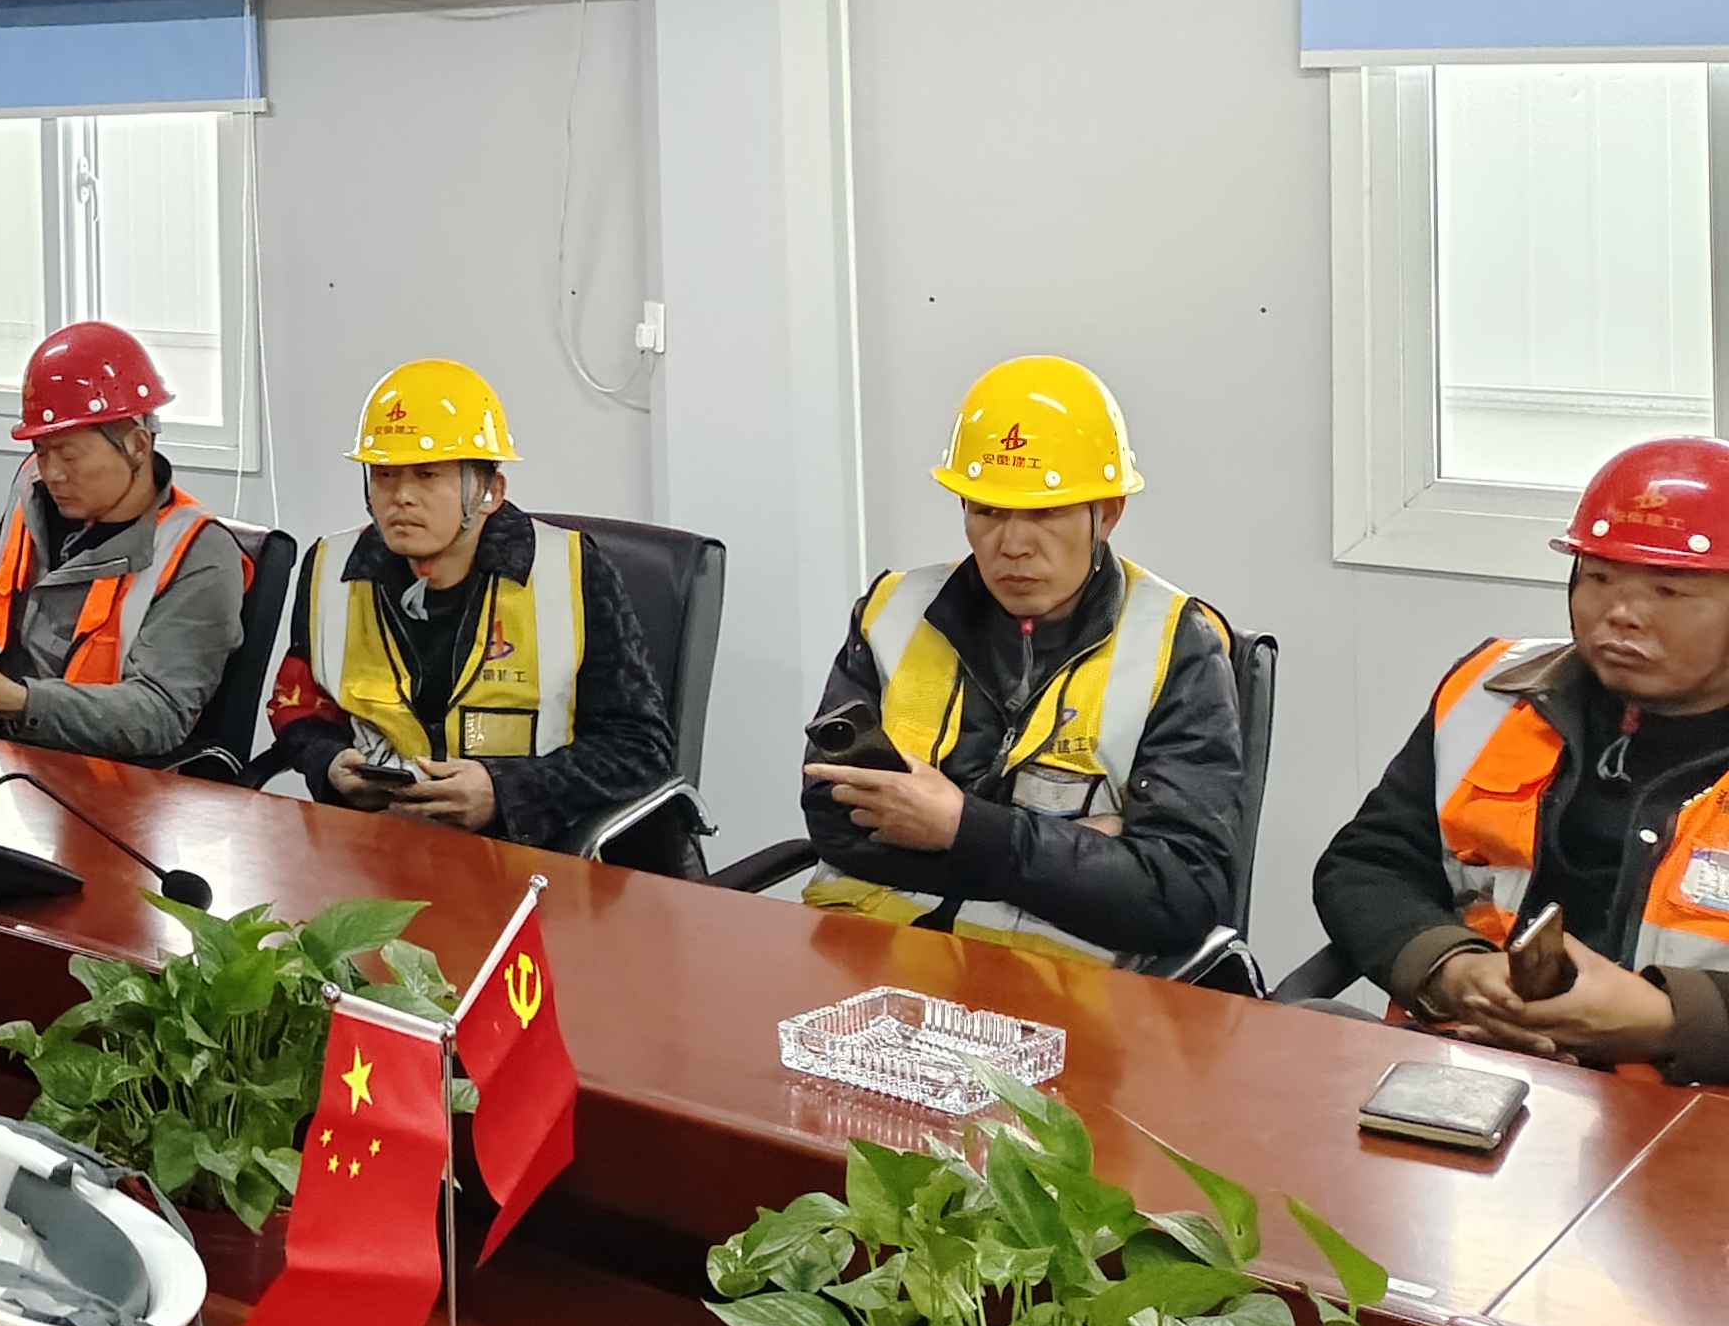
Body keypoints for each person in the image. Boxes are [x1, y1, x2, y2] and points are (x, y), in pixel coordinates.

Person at [782, 354, 1243, 969]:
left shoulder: (1176, 647)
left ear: (1107, 513)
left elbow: (1181, 891)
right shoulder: (892, 613)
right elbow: (834, 823)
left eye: (1046, 513)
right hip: (869, 964)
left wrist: (960, 827)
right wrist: (1078, 851)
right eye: (988, 511)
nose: (1014, 545)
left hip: (1059, 995)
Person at [1312, 435, 1729, 1080]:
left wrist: (1671, 1020)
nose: (1621, 613)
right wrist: (1453, 969)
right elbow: (1368, 865)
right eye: (1598, 578)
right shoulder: (1492, 692)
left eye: (1669, 591)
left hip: (1688, 1104)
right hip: (1466, 1064)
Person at [247, 359, 696, 866]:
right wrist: (330, 763)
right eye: (385, 475)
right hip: (378, 852)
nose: (401, 497)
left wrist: (503, 791)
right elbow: (300, 708)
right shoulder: (331, 569)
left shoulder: (572, 572)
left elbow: (639, 748)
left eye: (428, 475)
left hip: (532, 858)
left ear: (489, 492)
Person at [0, 321, 248, 762]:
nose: (53, 473)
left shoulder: (198, 554)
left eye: (70, 455)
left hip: (82, 775)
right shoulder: (30, 499)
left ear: (138, 445)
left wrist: (14, 700)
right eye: (41, 451)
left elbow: (160, 714)